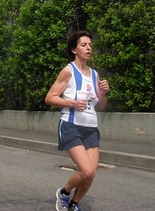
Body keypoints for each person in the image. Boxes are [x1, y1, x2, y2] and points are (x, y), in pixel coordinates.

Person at [45, 30, 110, 211]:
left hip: (91, 128)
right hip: (71, 125)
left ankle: (74, 204)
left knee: (91, 174)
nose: (88, 48)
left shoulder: (94, 75)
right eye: (84, 45)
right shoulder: (68, 72)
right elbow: (50, 98)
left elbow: (101, 106)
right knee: (86, 170)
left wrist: (103, 94)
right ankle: (64, 192)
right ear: (75, 49)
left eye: (90, 45)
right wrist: (72, 103)